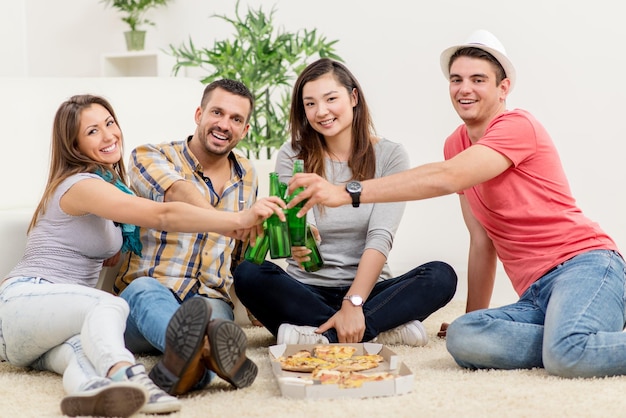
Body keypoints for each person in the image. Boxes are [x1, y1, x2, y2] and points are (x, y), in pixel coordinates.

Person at [286, 30, 626, 378]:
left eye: (478, 79)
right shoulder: (456, 143)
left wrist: (347, 192)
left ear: (503, 88)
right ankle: (575, 339)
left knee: (566, 355)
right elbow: (481, 241)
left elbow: (448, 177)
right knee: (465, 337)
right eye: (456, 79)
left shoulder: (518, 126)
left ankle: (570, 343)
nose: (465, 88)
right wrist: (475, 315)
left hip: (585, 267)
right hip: (535, 295)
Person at [0, 94, 285, 417]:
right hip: (26, 300)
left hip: (51, 331)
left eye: (110, 123)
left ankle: (128, 392)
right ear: (74, 144)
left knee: (81, 355)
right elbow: (162, 216)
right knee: (111, 303)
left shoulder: (111, 189)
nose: (108, 135)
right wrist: (235, 220)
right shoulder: (80, 185)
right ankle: (134, 372)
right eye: (92, 131)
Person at [234, 58, 457, 346]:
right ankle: (379, 329)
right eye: (310, 103)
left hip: (369, 292)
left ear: (353, 98)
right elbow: (298, 223)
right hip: (306, 289)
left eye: (330, 99)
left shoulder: (390, 155)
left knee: (440, 276)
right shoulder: (292, 154)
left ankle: (321, 335)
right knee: (248, 274)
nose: (321, 111)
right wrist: (298, 236)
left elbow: (380, 236)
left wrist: (353, 302)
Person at [113, 79, 266, 395]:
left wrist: (257, 306)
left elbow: (242, 253)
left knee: (215, 324)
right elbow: (178, 193)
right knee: (144, 290)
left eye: (236, 119)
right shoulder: (150, 155)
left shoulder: (247, 175)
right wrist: (231, 221)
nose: (224, 124)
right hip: (147, 298)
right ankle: (209, 355)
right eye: (217, 112)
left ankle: (189, 367)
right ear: (199, 114)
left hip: (208, 301)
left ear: (245, 130)